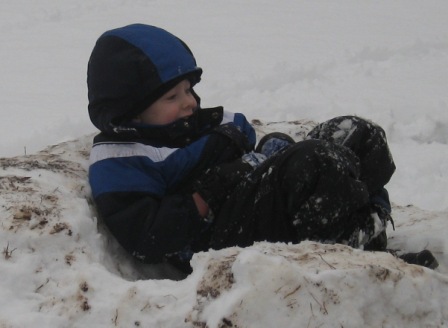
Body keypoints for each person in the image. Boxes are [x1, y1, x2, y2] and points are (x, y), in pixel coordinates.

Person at [87, 24, 437, 274]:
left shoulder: (192, 126)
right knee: (314, 162)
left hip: (248, 202)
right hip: (214, 237)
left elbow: (249, 154)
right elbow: (145, 236)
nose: (189, 103)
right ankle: (354, 262)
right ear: (130, 111)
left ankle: (366, 228)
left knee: (358, 135)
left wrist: (268, 152)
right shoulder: (123, 158)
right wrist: (209, 192)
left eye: (189, 90)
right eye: (172, 97)